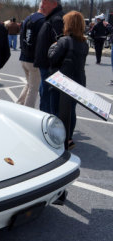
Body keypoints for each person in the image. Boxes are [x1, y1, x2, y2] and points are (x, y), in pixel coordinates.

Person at [48, 11, 89, 150]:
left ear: (69, 24)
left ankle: (58, 139)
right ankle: (69, 137)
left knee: (57, 111)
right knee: (71, 110)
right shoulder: (84, 43)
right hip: (78, 82)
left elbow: (53, 59)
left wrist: (53, 45)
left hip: (62, 82)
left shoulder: (64, 41)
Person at [34, 0, 64, 113]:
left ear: (54, 4)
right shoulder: (51, 18)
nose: (42, 5)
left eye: (45, 2)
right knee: (45, 98)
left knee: (48, 103)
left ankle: (47, 128)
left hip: (50, 70)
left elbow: (60, 45)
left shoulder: (56, 20)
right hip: (46, 68)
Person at [17, 5, 45, 107]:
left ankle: (19, 104)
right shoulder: (42, 20)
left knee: (29, 84)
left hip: (24, 56)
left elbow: (21, 36)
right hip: (33, 59)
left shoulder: (28, 18)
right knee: (34, 88)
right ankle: (27, 109)